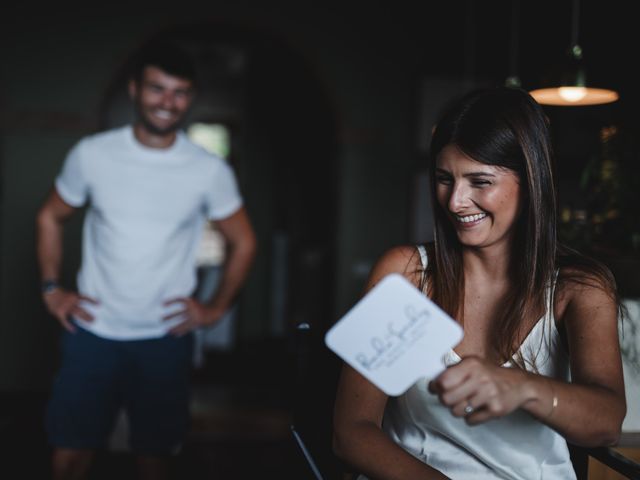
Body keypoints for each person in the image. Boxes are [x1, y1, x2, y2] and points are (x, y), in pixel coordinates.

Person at [332, 87, 626, 479]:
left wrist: (520, 386)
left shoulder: (579, 289)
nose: (455, 201)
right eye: (444, 179)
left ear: (531, 181)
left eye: (480, 181)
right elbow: (351, 431)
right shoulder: (406, 274)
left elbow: (606, 424)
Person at [36, 40, 257, 480]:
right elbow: (50, 216)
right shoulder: (93, 154)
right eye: (157, 89)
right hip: (91, 333)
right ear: (135, 90)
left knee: (154, 460)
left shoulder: (208, 169)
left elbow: (244, 242)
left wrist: (214, 309)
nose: (167, 102)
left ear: (190, 97)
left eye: (179, 92)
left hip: (163, 339)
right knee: (69, 459)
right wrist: (51, 289)